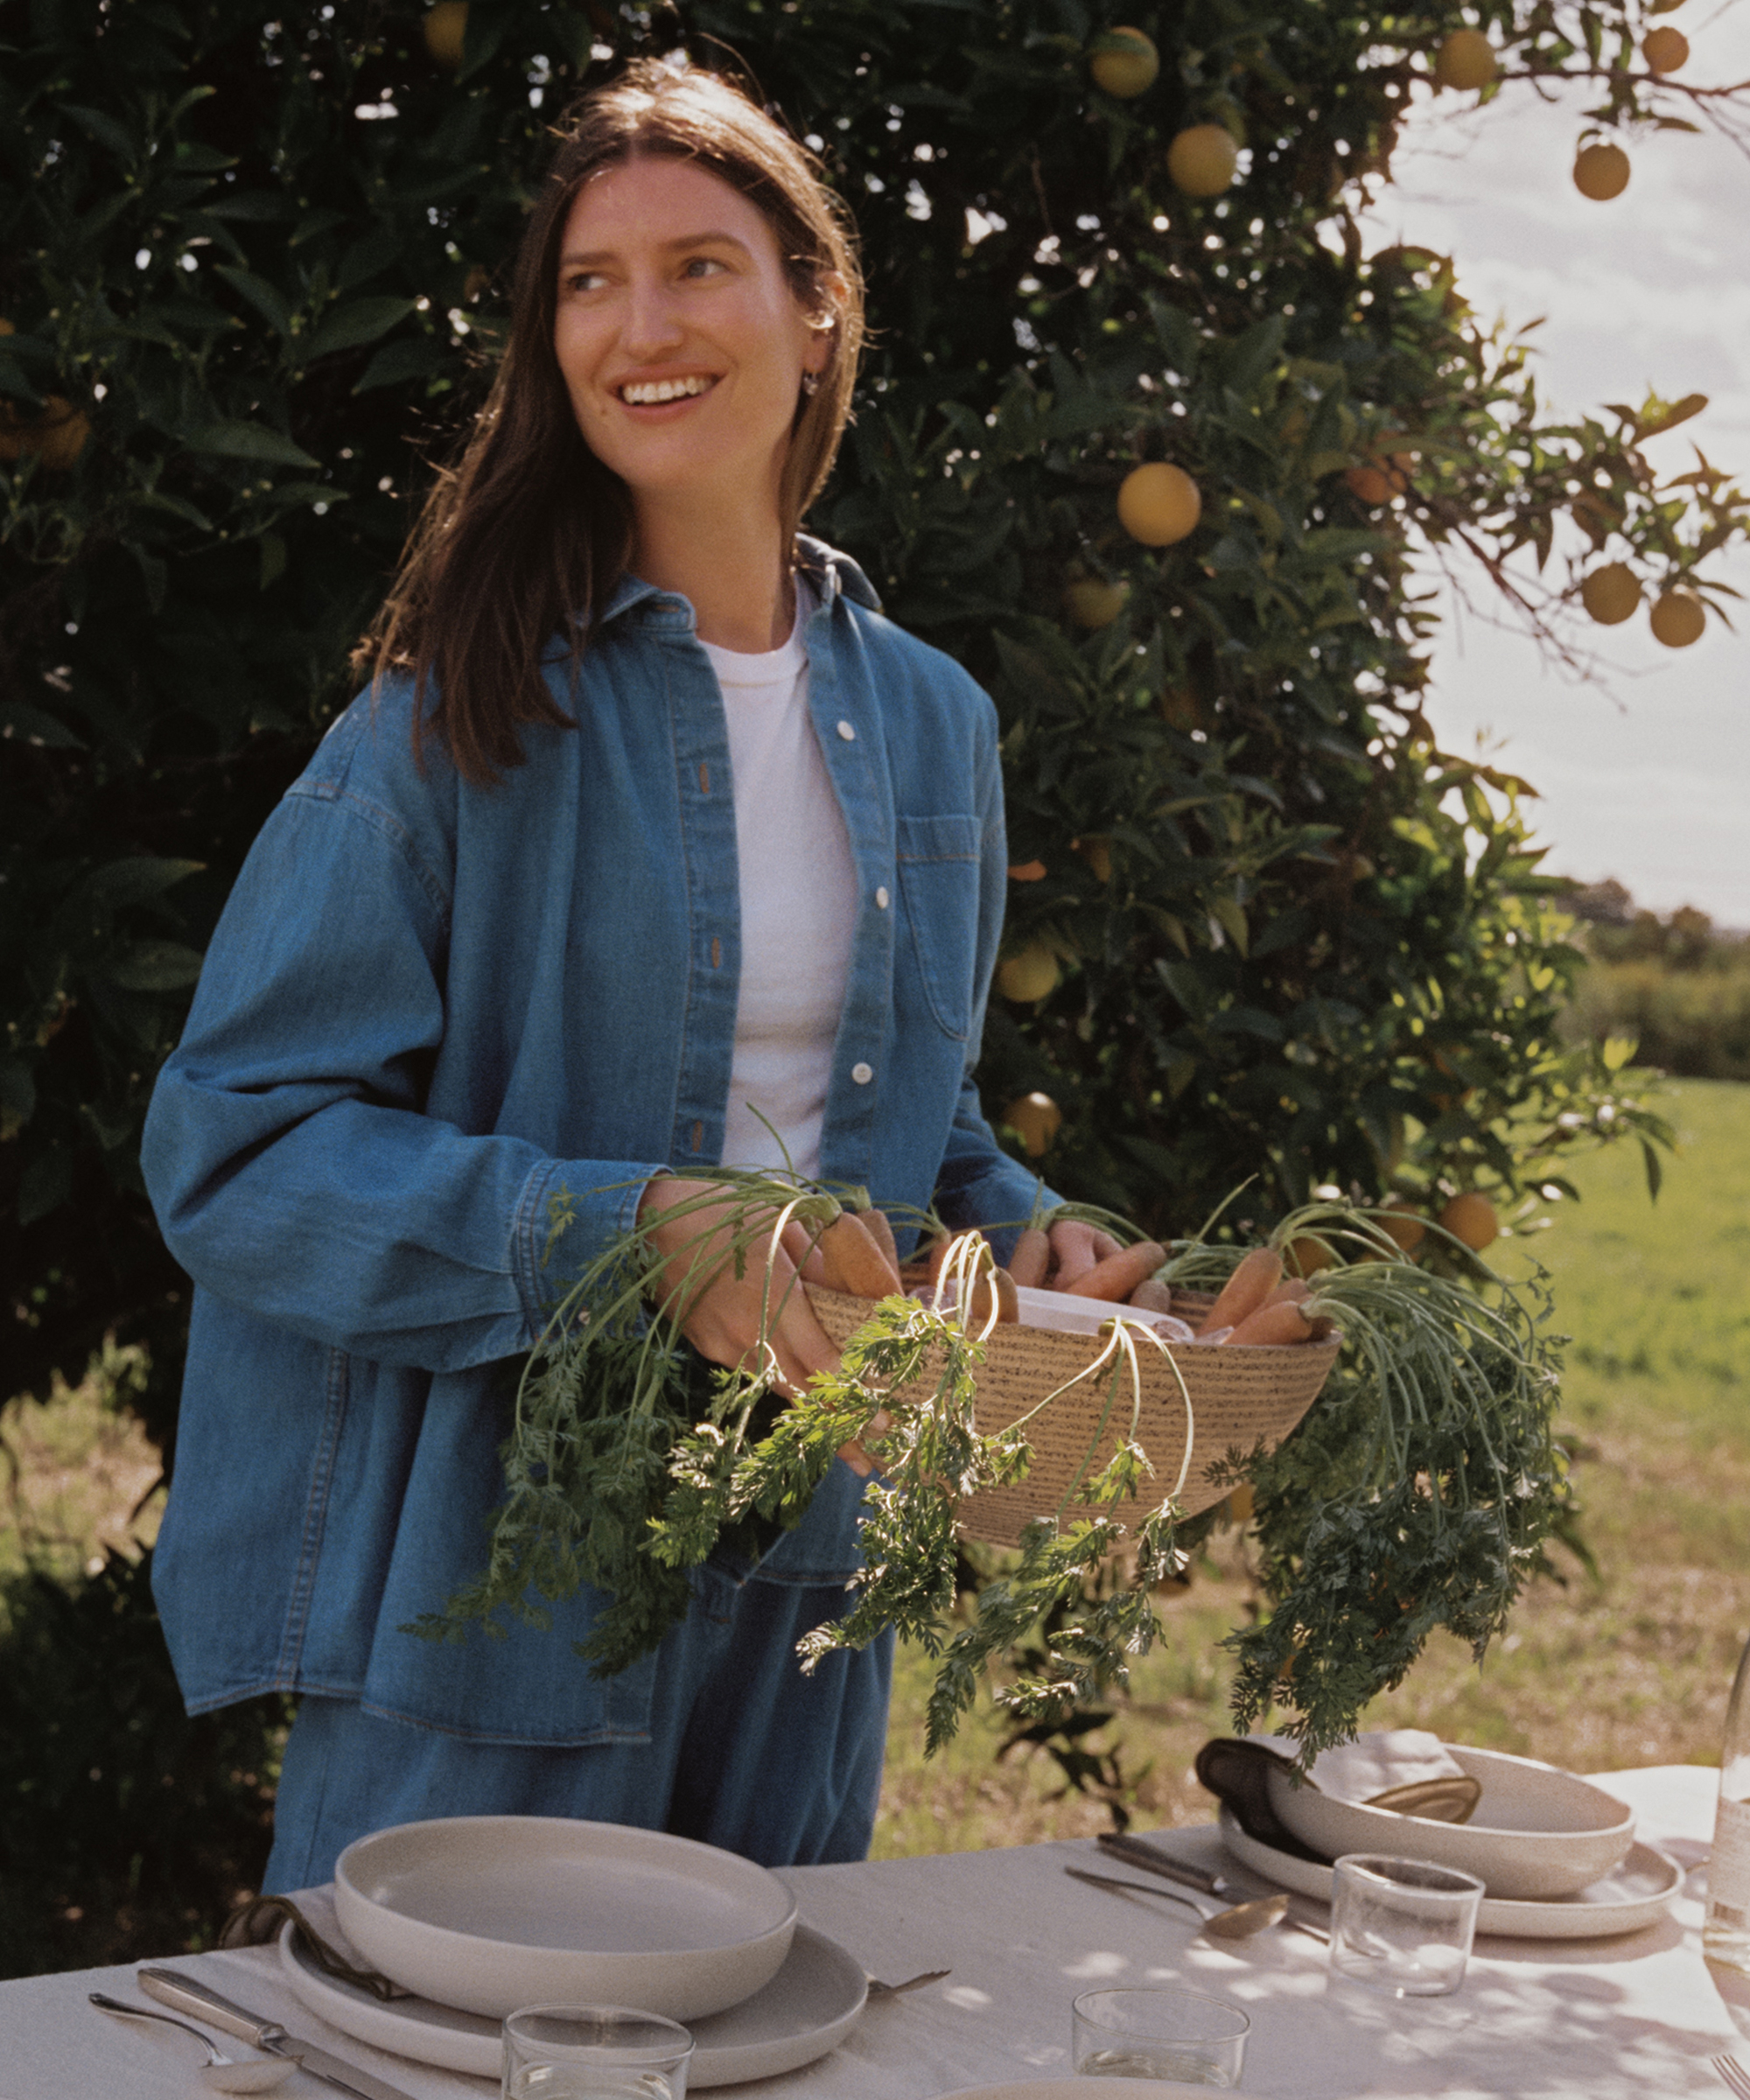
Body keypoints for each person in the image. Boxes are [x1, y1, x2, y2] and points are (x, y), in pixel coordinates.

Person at [141, 60, 1118, 1894]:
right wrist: (630, 1232)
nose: (638, 327)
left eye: (697, 267)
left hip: (811, 1594)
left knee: (766, 2053)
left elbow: (904, 1122)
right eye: (588, 283)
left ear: (817, 315)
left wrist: (1036, 1237)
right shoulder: (456, 707)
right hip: (498, 1591)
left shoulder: (934, 724)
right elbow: (235, 1148)